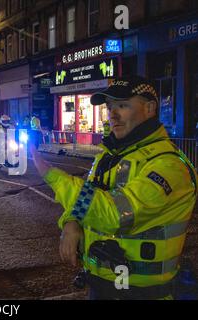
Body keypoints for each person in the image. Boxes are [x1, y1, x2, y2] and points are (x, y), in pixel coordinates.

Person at [30, 76, 197, 300]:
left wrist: (49, 173)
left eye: (123, 105)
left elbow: (114, 214)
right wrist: (71, 222)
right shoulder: (109, 157)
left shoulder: (169, 166)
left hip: (143, 293)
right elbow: (89, 197)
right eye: (110, 107)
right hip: (102, 285)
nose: (112, 114)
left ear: (149, 108)